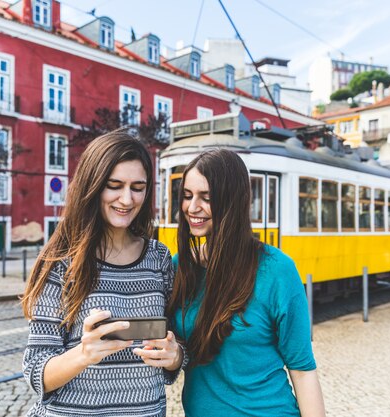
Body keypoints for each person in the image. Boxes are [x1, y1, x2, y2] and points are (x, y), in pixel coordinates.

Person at [21, 131, 187, 417]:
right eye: (114, 185)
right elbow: (37, 373)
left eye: (138, 187)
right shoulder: (61, 262)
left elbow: (177, 342)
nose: (127, 198)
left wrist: (175, 357)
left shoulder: (158, 257)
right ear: (93, 185)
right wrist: (83, 353)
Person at [168, 149, 326, 417]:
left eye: (206, 198)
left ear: (233, 201)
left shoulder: (277, 270)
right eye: (187, 196)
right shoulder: (179, 267)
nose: (192, 207)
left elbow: (301, 369)